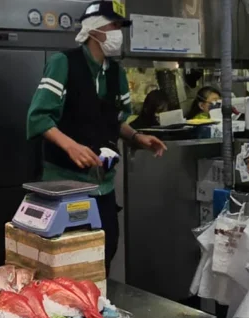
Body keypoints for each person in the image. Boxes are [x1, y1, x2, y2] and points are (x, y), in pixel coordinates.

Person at [26, 1, 167, 272]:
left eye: (120, 26)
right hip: (66, 185)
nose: (118, 32)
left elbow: (114, 120)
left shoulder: (116, 73)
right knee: (69, 259)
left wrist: (137, 137)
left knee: (104, 251)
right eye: (113, 25)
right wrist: (71, 146)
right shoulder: (63, 63)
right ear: (94, 29)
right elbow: (38, 117)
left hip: (103, 187)